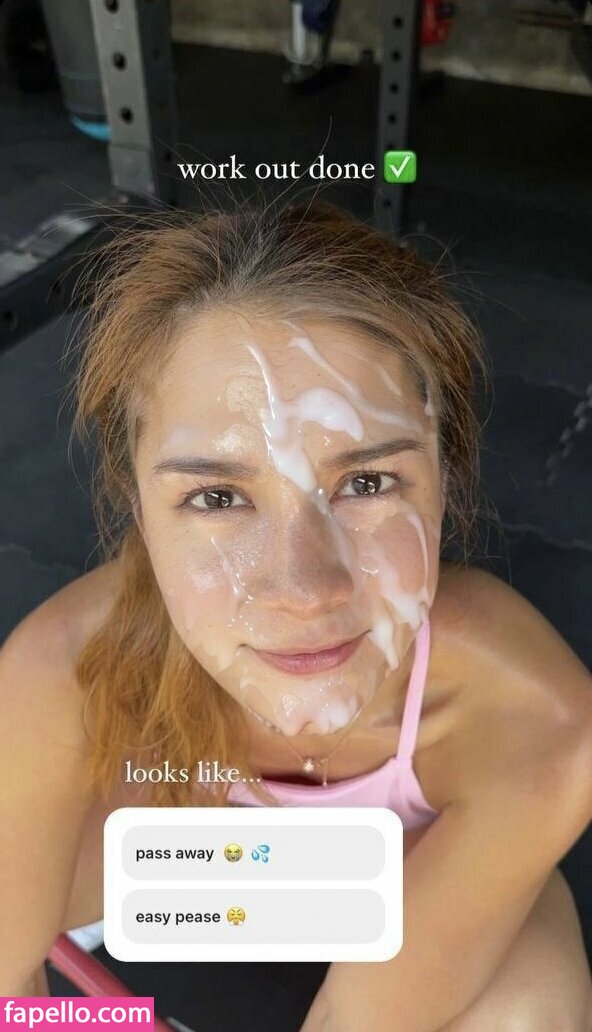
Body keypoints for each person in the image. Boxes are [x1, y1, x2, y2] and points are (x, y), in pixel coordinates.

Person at [1, 200, 591, 1031]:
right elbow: (10, 994)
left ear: (444, 477)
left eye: (366, 483)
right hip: (202, 859)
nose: (303, 591)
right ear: (137, 505)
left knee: (528, 1010)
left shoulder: (543, 721)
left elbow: (360, 1020)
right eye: (217, 496)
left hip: (421, 866)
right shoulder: (61, 669)